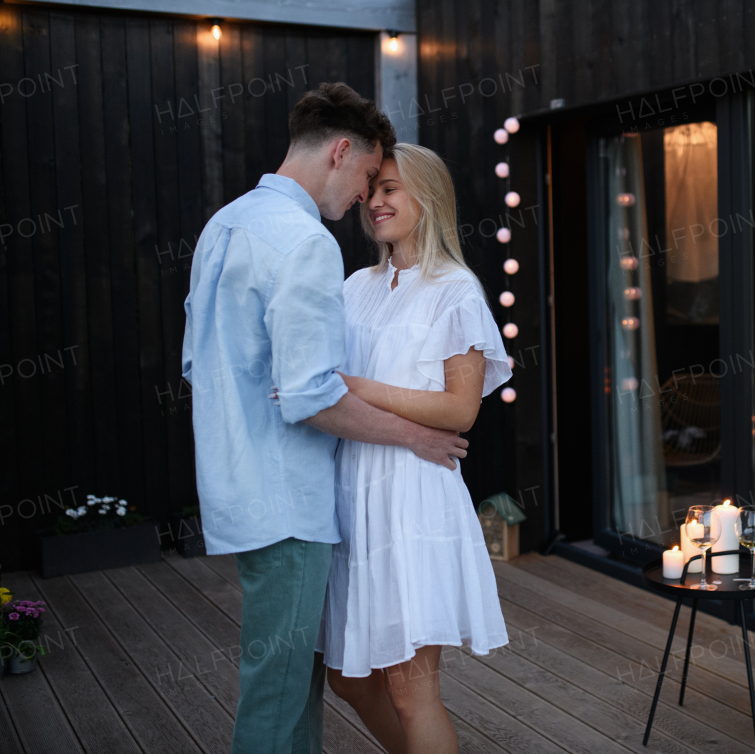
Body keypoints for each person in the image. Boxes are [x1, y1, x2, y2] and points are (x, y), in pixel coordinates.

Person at [182, 83, 469, 754]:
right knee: (279, 697)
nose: (366, 199)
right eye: (370, 175)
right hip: (289, 502)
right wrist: (416, 436)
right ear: (342, 151)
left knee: (285, 682)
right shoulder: (306, 243)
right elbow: (311, 395)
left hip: (235, 489)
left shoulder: (224, 225)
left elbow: (199, 365)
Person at [312, 143, 511, 754]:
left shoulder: (456, 290)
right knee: (347, 677)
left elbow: (460, 409)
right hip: (349, 495)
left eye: (391, 188)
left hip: (412, 498)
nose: (375, 201)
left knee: (410, 690)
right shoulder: (355, 287)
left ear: (429, 196)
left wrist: (358, 386)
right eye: (372, 188)